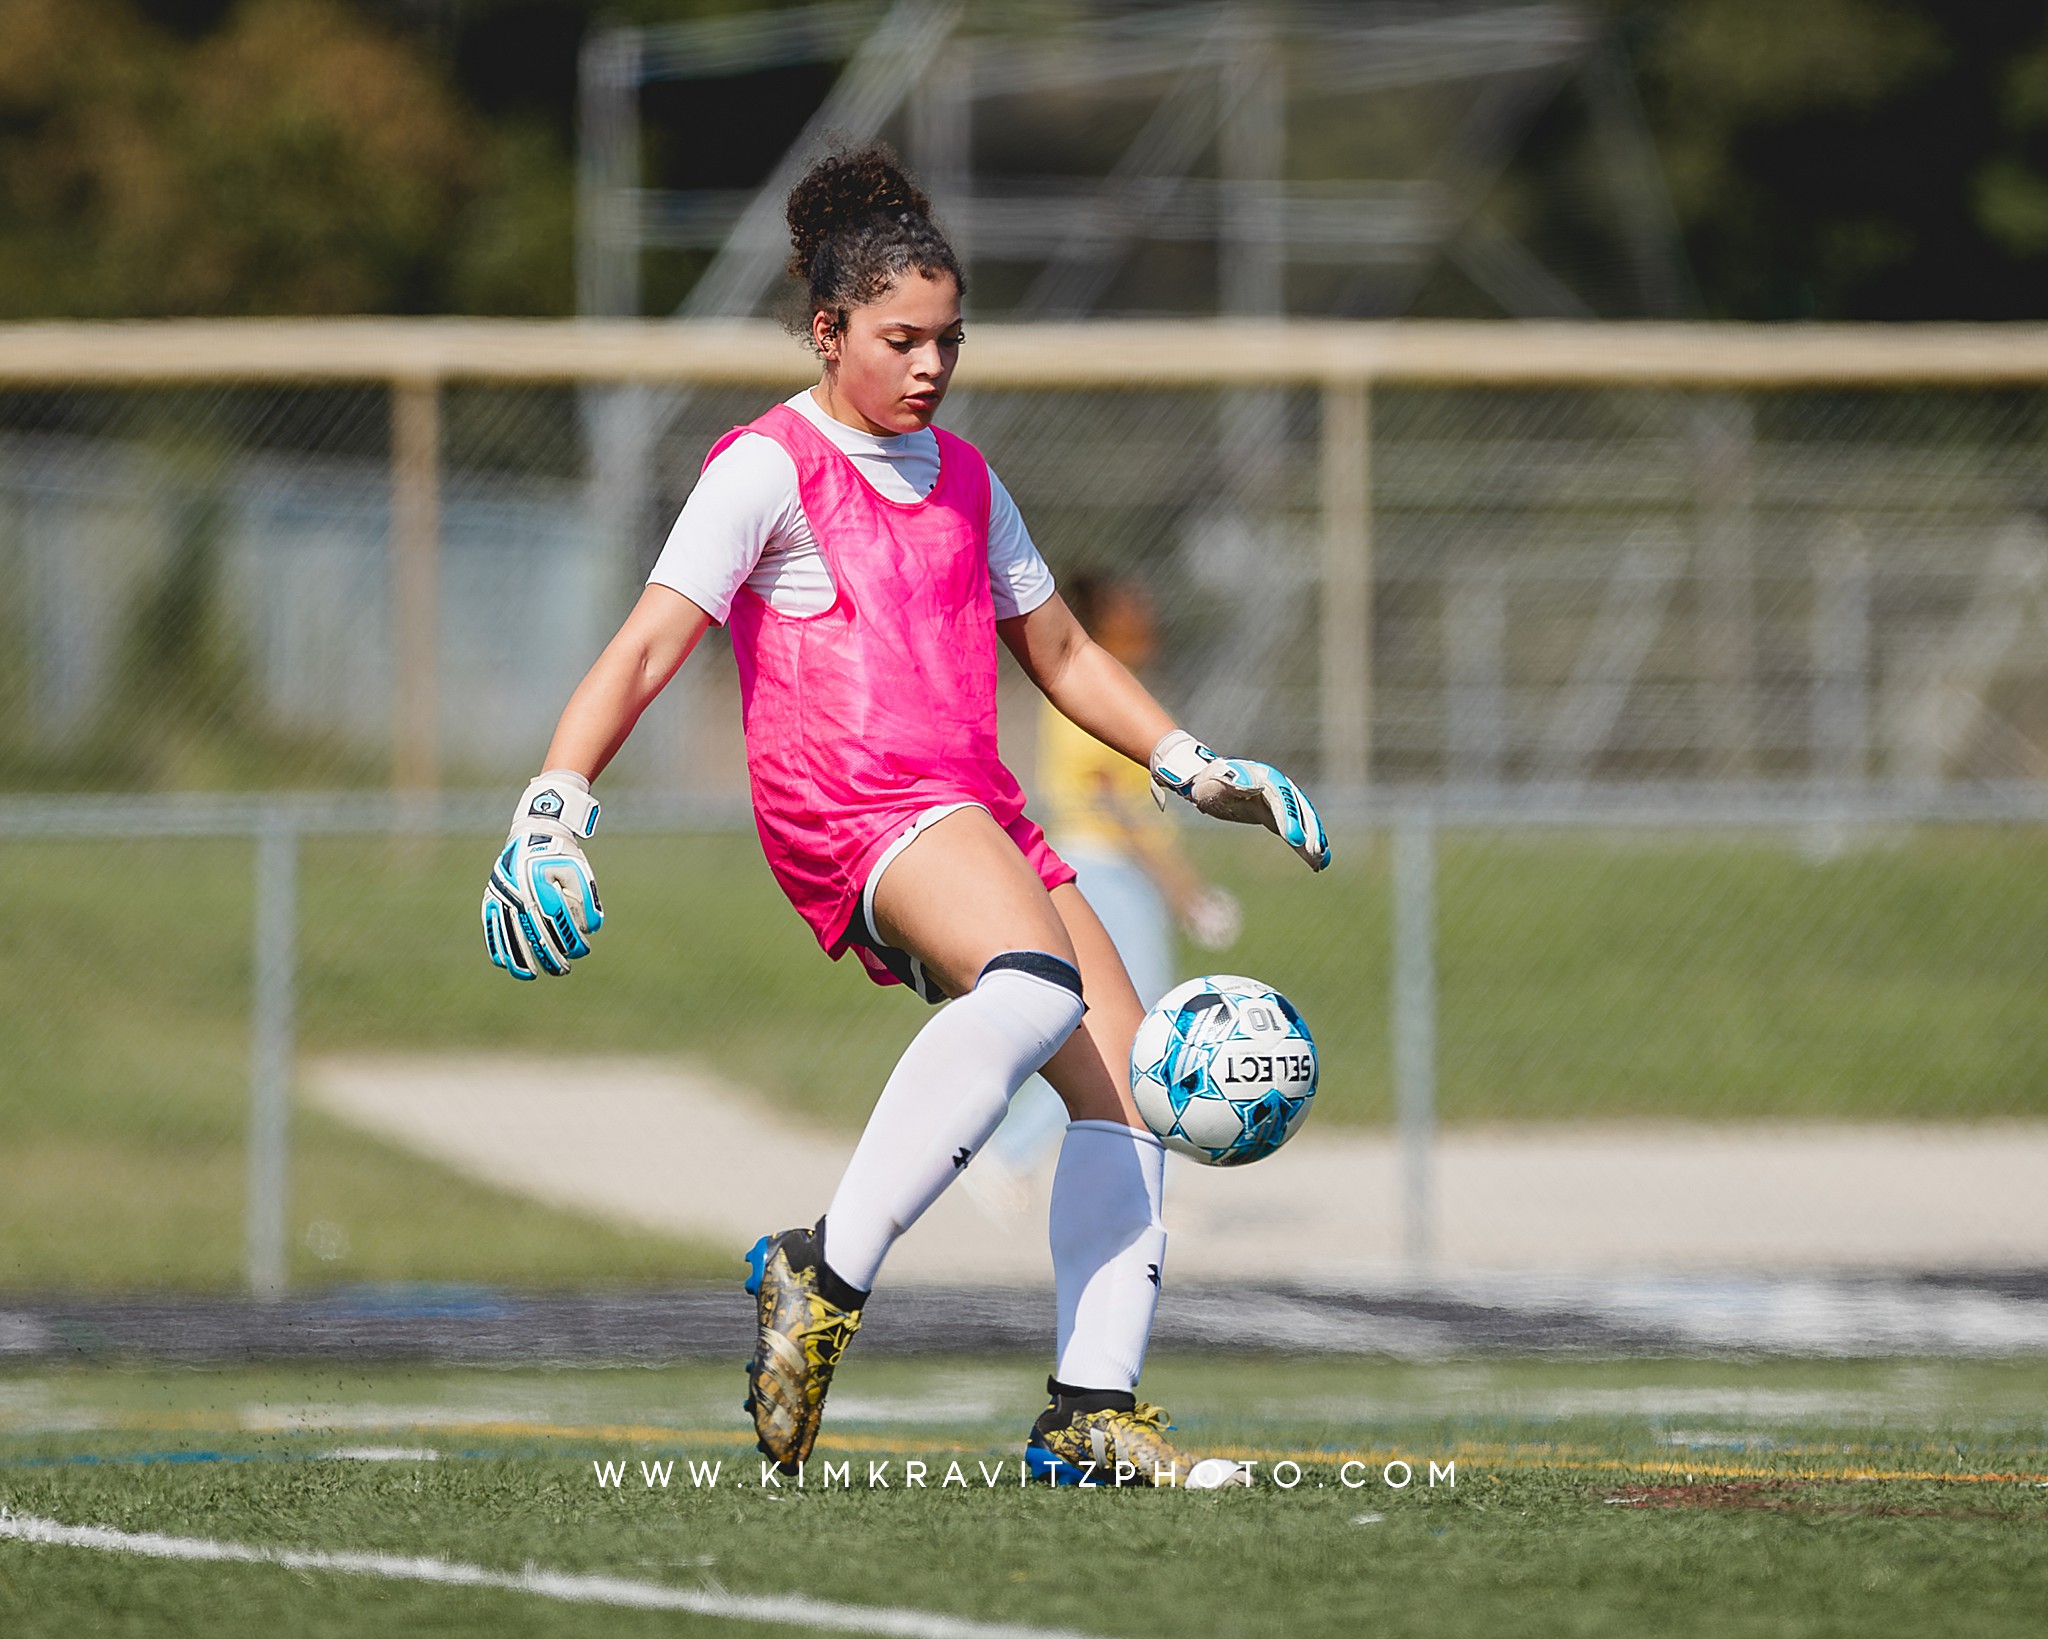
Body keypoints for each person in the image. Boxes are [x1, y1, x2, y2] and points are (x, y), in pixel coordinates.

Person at [480, 145, 1329, 1489]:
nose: (929, 364)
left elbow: (1057, 650)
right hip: (849, 801)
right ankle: (821, 1275)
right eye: (899, 338)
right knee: (1038, 982)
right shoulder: (767, 465)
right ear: (828, 331)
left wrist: (1192, 762)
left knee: (1128, 1087)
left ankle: (1090, 1413)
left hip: (974, 810)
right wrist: (553, 806)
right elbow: (647, 645)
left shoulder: (968, 478)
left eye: (949, 338)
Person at [968, 572, 1242, 1218]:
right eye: (1129, 603)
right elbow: (1110, 800)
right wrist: (1186, 890)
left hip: (1108, 867)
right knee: (1143, 1028)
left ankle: (1127, 1173)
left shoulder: (1115, 681)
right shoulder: (1097, 687)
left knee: (1133, 1026)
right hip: (1104, 866)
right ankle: (1016, 1153)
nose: (1145, 610)